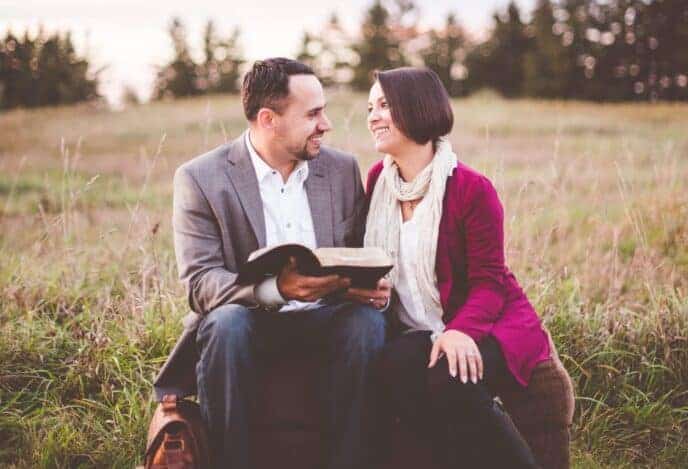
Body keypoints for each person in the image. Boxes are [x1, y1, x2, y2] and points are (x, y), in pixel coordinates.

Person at [153, 58, 390, 469]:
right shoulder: (200, 178)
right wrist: (278, 290)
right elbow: (201, 284)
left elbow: (356, 254)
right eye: (313, 114)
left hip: (325, 318)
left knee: (365, 324)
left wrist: (366, 285)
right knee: (226, 324)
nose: (326, 124)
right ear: (269, 120)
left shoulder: (341, 169)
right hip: (249, 320)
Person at [355, 67, 551, 468]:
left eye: (384, 105)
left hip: (490, 322)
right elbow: (374, 264)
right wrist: (367, 290)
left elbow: (489, 282)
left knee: (451, 379)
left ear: (417, 108)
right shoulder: (378, 181)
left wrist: (461, 331)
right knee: (392, 369)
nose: (372, 116)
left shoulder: (470, 188)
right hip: (421, 328)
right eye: (370, 107)